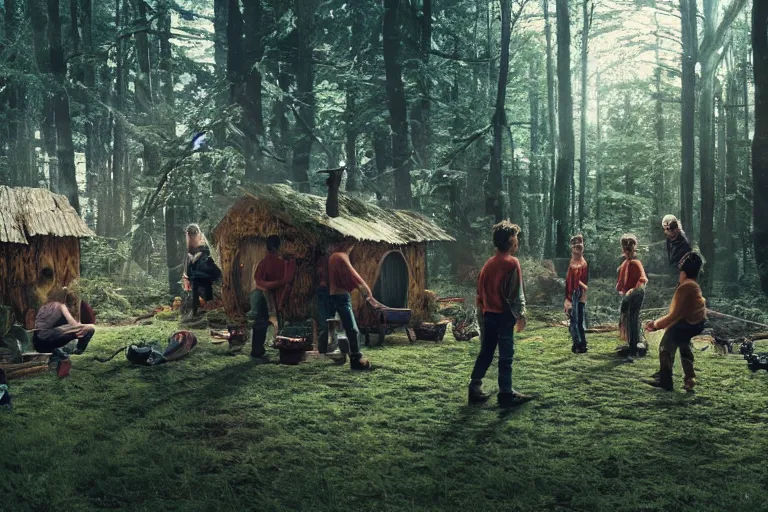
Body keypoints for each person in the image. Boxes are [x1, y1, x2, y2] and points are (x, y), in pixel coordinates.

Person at [468, 221, 532, 407]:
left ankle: (474, 387)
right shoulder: (512, 263)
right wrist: (520, 315)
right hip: (504, 316)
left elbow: (480, 293)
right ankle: (506, 393)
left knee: (486, 353)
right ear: (511, 240)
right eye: (516, 238)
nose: (518, 241)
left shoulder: (488, 264)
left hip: (488, 316)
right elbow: (515, 294)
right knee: (506, 355)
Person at [643, 252, 707, 392]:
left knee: (666, 345)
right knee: (683, 344)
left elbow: (675, 315)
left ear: (683, 269)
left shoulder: (686, 286)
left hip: (688, 323)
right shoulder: (692, 285)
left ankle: (665, 380)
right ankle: (689, 378)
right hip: (694, 322)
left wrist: (656, 324)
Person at [326, 238, 381, 370]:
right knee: (352, 329)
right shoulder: (341, 256)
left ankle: (346, 354)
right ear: (349, 244)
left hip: (335, 295)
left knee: (340, 329)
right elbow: (355, 276)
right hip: (341, 296)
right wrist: (368, 294)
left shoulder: (333, 256)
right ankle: (356, 359)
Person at [249, 235, 296, 360]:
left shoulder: (265, 262)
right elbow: (286, 281)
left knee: (261, 322)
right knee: (274, 322)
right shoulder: (281, 262)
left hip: (265, 294)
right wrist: (278, 283)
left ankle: (258, 350)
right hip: (271, 295)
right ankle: (281, 350)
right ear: (279, 247)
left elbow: (259, 281)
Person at [33, 287, 96, 377]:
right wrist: (89, 326)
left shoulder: (44, 306)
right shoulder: (60, 306)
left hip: (37, 342)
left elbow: (44, 328)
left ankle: (60, 357)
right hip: (47, 341)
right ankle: (75, 352)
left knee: (68, 330)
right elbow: (75, 326)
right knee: (87, 330)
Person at [616, 234, 649, 361]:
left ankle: (633, 352)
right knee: (628, 320)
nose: (627, 247)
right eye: (625, 244)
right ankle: (632, 345)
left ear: (635, 247)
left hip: (636, 294)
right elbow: (621, 283)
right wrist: (622, 290)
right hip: (628, 295)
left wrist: (632, 292)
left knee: (632, 320)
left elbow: (642, 280)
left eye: (630, 244)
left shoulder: (636, 263)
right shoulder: (625, 263)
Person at [182, 224, 221, 317]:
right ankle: (195, 309)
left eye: (192, 235)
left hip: (206, 269)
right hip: (196, 272)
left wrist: (198, 255)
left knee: (203, 286)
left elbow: (207, 252)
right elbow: (188, 259)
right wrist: (186, 276)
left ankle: (206, 308)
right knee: (195, 286)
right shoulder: (189, 243)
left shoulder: (201, 239)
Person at [564, 234, 589, 354]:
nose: (576, 245)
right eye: (574, 243)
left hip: (578, 295)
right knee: (575, 321)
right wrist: (567, 298)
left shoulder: (582, 263)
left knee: (576, 322)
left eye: (579, 242)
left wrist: (578, 296)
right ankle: (579, 344)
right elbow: (568, 281)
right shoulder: (572, 261)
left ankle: (579, 344)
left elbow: (582, 283)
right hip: (572, 295)